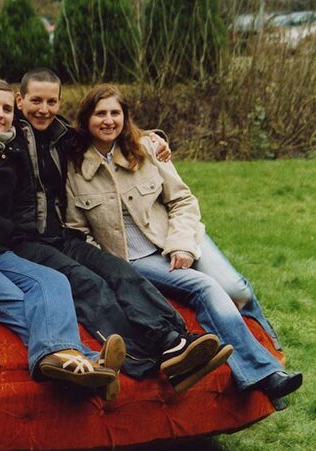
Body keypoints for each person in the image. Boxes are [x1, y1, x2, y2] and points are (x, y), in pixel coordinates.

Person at [0, 69, 227, 392]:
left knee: (119, 271)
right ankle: (140, 360)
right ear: (21, 101)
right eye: (35, 101)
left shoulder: (64, 137)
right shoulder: (6, 138)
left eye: (51, 101)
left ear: (60, 103)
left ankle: (174, 342)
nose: (43, 109)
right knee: (89, 284)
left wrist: (153, 137)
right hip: (24, 241)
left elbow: (108, 133)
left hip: (62, 235)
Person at [64, 83, 302, 402]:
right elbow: (79, 230)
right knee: (205, 288)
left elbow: (182, 200)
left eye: (115, 113)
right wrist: (113, 267)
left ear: (125, 117)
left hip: (177, 236)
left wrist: (182, 245)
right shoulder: (75, 167)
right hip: (135, 260)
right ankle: (266, 376)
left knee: (238, 290)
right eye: (100, 114)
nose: (108, 120)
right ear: (86, 119)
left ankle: (275, 356)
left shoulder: (147, 148)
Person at [0, 78, 126, 396]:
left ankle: (81, 369)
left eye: (5, 108)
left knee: (54, 283)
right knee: (24, 304)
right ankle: (87, 366)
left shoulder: (7, 147)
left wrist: (153, 139)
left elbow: (84, 139)